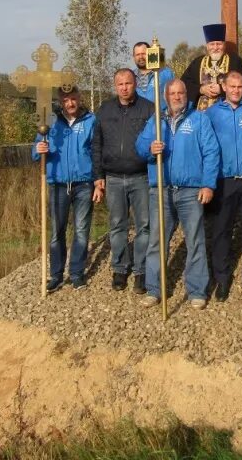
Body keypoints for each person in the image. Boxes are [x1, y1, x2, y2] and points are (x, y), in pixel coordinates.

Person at [135, 79, 220, 310]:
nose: (176, 96)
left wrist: (208, 184)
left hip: (190, 191)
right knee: (157, 241)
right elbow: (140, 146)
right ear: (165, 96)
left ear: (186, 94)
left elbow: (211, 152)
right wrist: (150, 150)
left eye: (180, 92)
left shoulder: (199, 119)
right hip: (161, 189)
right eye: (172, 93)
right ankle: (154, 289)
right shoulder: (156, 119)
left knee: (195, 240)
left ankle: (197, 291)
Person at [205, 70, 242, 301]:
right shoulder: (211, 114)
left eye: (240, 87)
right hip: (224, 180)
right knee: (221, 231)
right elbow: (206, 148)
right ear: (224, 87)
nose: (236, 90)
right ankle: (222, 278)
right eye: (232, 86)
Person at [92, 68, 154, 293]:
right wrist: (98, 176)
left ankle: (141, 270)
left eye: (128, 83)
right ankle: (120, 268)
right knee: (117, 225)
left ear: (135, 83)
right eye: (120, 84)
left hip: (141, 177)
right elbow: (96, 143)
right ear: (114, 85)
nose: (124, 88)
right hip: (114, 178)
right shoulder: (105, 110)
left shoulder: (148, 108)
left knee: (144, 226)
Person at [32, 85, 98, 291]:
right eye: (65, 100)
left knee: (81, 230)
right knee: (57, 231)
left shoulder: (90, 120)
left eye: (73, 99)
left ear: (79, 98)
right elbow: (36, 152)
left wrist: (98, 181)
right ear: (60, 102)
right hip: (58, 183)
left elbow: (97, 152)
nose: (70, 104)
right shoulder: (50, 121)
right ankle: (56, 275)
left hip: (83, 184)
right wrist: (39, 149)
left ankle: (77, 273)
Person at [182, 23, 242, 111]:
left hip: (228, 113)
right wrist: (201, 89)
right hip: (202, 115)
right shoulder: (197, 63)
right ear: (207, 46)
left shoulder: (235, 61)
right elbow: (183, 84)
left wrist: (222, 89)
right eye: (212, 44)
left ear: (224, 45)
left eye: (219, 44)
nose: (215, 47)